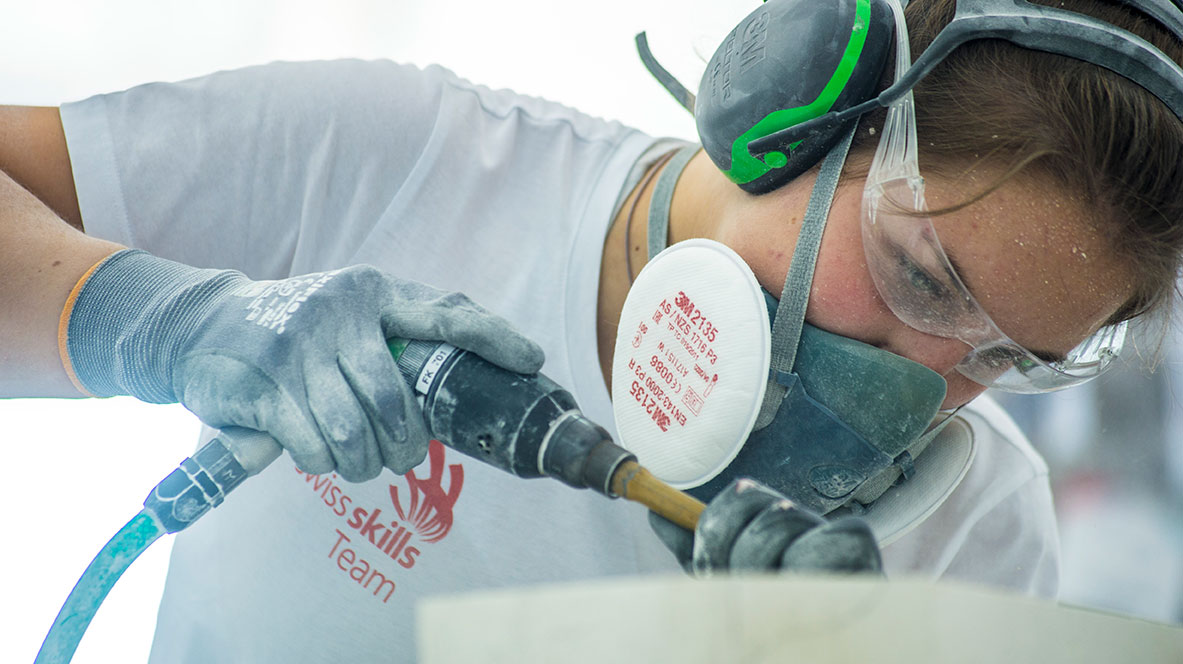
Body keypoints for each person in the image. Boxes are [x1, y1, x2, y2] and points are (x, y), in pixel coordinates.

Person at [1, 0, 1180, 660]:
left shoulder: (974, 534)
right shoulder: (401, 160)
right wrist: (151, 317)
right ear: (795, 116)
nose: (920, 391)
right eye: (921, 275)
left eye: (999, 360)